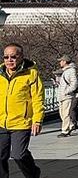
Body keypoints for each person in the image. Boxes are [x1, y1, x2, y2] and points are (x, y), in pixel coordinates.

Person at [0, 43, 44, 178]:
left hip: (22, 123)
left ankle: (33, 173)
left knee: (19, 154)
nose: (9, 60)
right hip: (1, 122)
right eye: (6, 57)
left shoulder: (31, 74)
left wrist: (37, 121)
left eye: (13, 57)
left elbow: (38, 99)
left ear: (21, 57)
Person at [57, 55, 78, 137]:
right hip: (63, 96)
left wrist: (66, 91)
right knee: (62, 114)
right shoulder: (65, 71)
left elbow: (74, 83)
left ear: (65, 62)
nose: (60, 62)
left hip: (67, 96)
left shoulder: (71, 71)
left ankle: (65, 130)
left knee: (65, 114)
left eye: (61, 61)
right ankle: (71, 125)